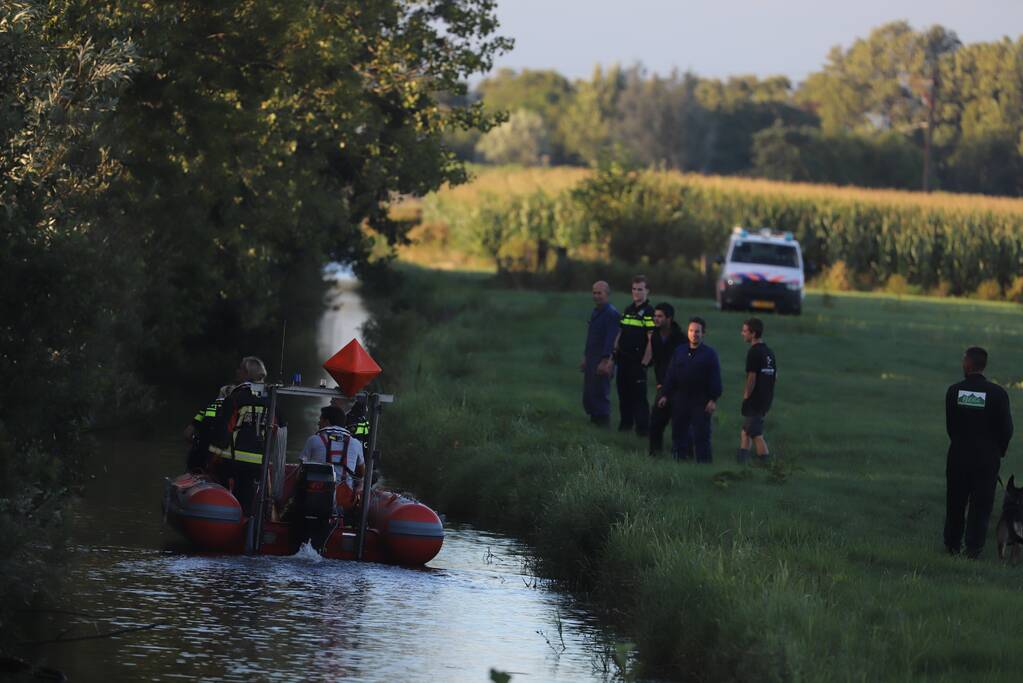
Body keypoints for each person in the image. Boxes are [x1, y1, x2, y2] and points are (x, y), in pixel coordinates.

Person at [944, 346, 1013, 558]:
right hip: (987, 460)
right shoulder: (998, 394)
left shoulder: (955, 391)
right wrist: (997, 451)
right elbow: (1007, 429)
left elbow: (951, 426)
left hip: (959, 457)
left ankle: (952, 546)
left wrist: (962, 444)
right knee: (981, 506)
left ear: (968, 364)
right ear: (983, 365)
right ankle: (973, 549)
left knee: (956, 502)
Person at [208, 356, 275, 514]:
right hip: (258, 462)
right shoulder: (271, 400)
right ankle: (246, 521)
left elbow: (224, 428)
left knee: (219, 480)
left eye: (240, 368)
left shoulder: (235, 397)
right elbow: (278, 428)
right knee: (246, 495)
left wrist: (213, 453)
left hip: (233, 459)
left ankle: (220, 515)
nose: (237, 371)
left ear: (246, 373)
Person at [658, 317, 721, 463]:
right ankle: (679, 461)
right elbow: (671, 375)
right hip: (680, 398)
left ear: (703, 333)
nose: (694, 334)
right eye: (691, 331)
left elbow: (715, 378)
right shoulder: (679, 351)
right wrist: (664, 395)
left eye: (697, 331)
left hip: (701, 400)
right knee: (678, 432)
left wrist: (713, 399)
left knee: (701, 434)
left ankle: (704, 464)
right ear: (688, 332)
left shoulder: (709, 354)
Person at [299, 403, 366, 511]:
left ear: (327, 422)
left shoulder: (313, 440)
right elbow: (361, 473)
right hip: (343, 499)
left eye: (320, 419)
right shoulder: (356, 443)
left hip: (315, 498)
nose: (318, 423)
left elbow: (301, 468)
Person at [613, 275, 656, 435]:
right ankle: (625, 426)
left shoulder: (649, 312)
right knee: (623, 395)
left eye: (640, 289)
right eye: (634, 289)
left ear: (647, 291)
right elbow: (621, 332)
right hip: (623, 360)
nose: (636, 292)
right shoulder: (628, 310)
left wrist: (644, 363)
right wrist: (614, 352)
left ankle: (642, 430)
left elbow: (651, 340)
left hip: (637, 363)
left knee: (639, 398)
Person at [647, 302, 684, 456]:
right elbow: (657, 362)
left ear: (669, 318)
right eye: (655, 316)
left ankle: (682, 455)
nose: (656, 319)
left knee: (679, 424)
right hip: (662, 386)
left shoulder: (681, 338)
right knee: (656, 421)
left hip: (678, 387)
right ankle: (655, 454)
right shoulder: (655, 335)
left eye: (660, 316)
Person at [738, 318, 776, 465]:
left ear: (753, 334)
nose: (742, 334)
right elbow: (775, 377)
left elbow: (752, 378)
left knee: (755, 433)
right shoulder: (769, 352)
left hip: (755, 400)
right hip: (766, 398)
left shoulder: (753, 352)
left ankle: (765, 464)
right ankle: (742, 463)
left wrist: (746, 396)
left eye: (745, 331)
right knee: (745, 431)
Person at [581, 280, 620, 427]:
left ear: (607, 294)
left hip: (602, 359)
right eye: (594, 293)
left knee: (600, 392)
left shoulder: (612, 314)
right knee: (590, 392)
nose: (596, 296)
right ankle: (594, 423)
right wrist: (585, 357)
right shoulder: (595, 311)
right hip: (591, 357)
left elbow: (611, 339)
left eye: (600, 293)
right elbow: (591, 336)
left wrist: (605, 361)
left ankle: (603, 425)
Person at [184, 384, 234, 472]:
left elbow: (188, 433)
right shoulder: (237, 410)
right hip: (225, 457)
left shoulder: (207, 407)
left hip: (201, 454)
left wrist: (196, 442)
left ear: (220, 394)